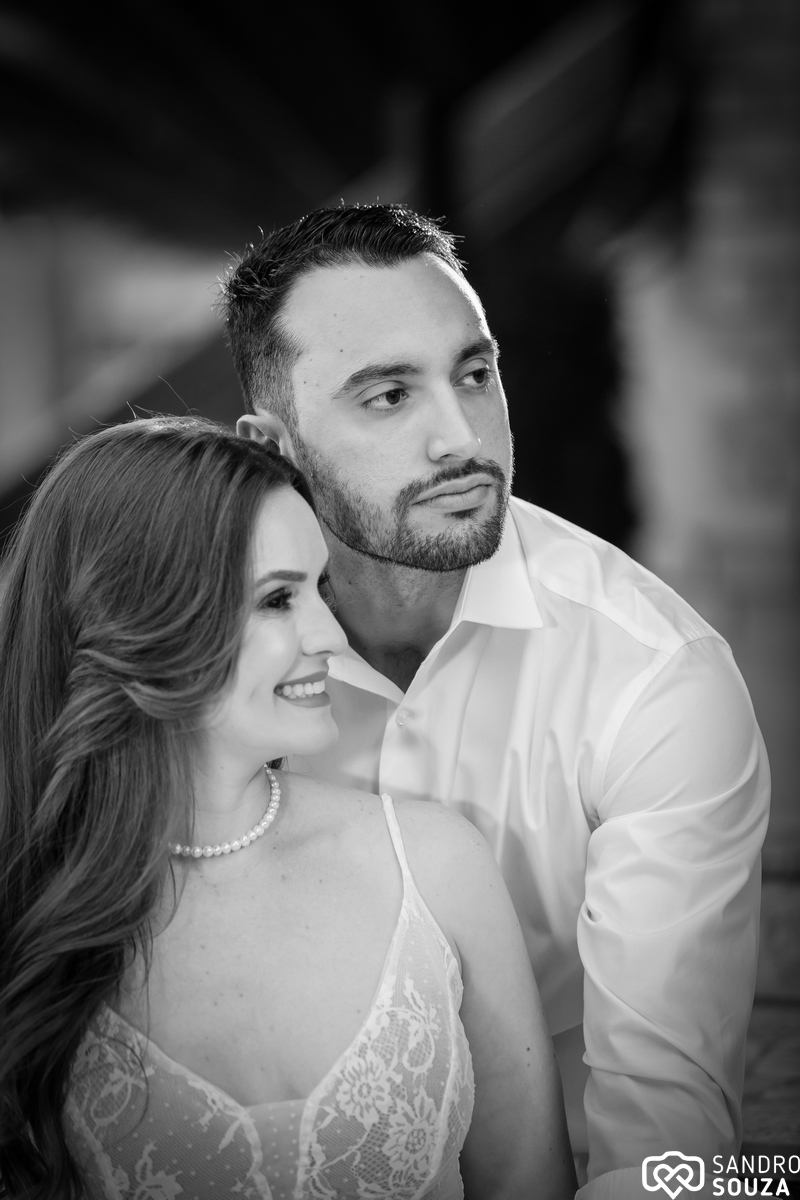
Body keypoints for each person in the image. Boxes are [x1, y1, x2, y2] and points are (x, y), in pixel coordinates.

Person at [221, 203, 771, 1197]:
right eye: (388, 395)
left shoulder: (653, 680)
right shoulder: (204, 659)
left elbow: (669, 1150)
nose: (460, 437)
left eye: (474, 374)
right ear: (274, 445)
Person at [0, 417, 576, 1200]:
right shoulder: (26, 913)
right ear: (138, 619)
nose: (330, 636)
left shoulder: (435, 866)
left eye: (320, 590)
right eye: (277, 599)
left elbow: (530, 1183)